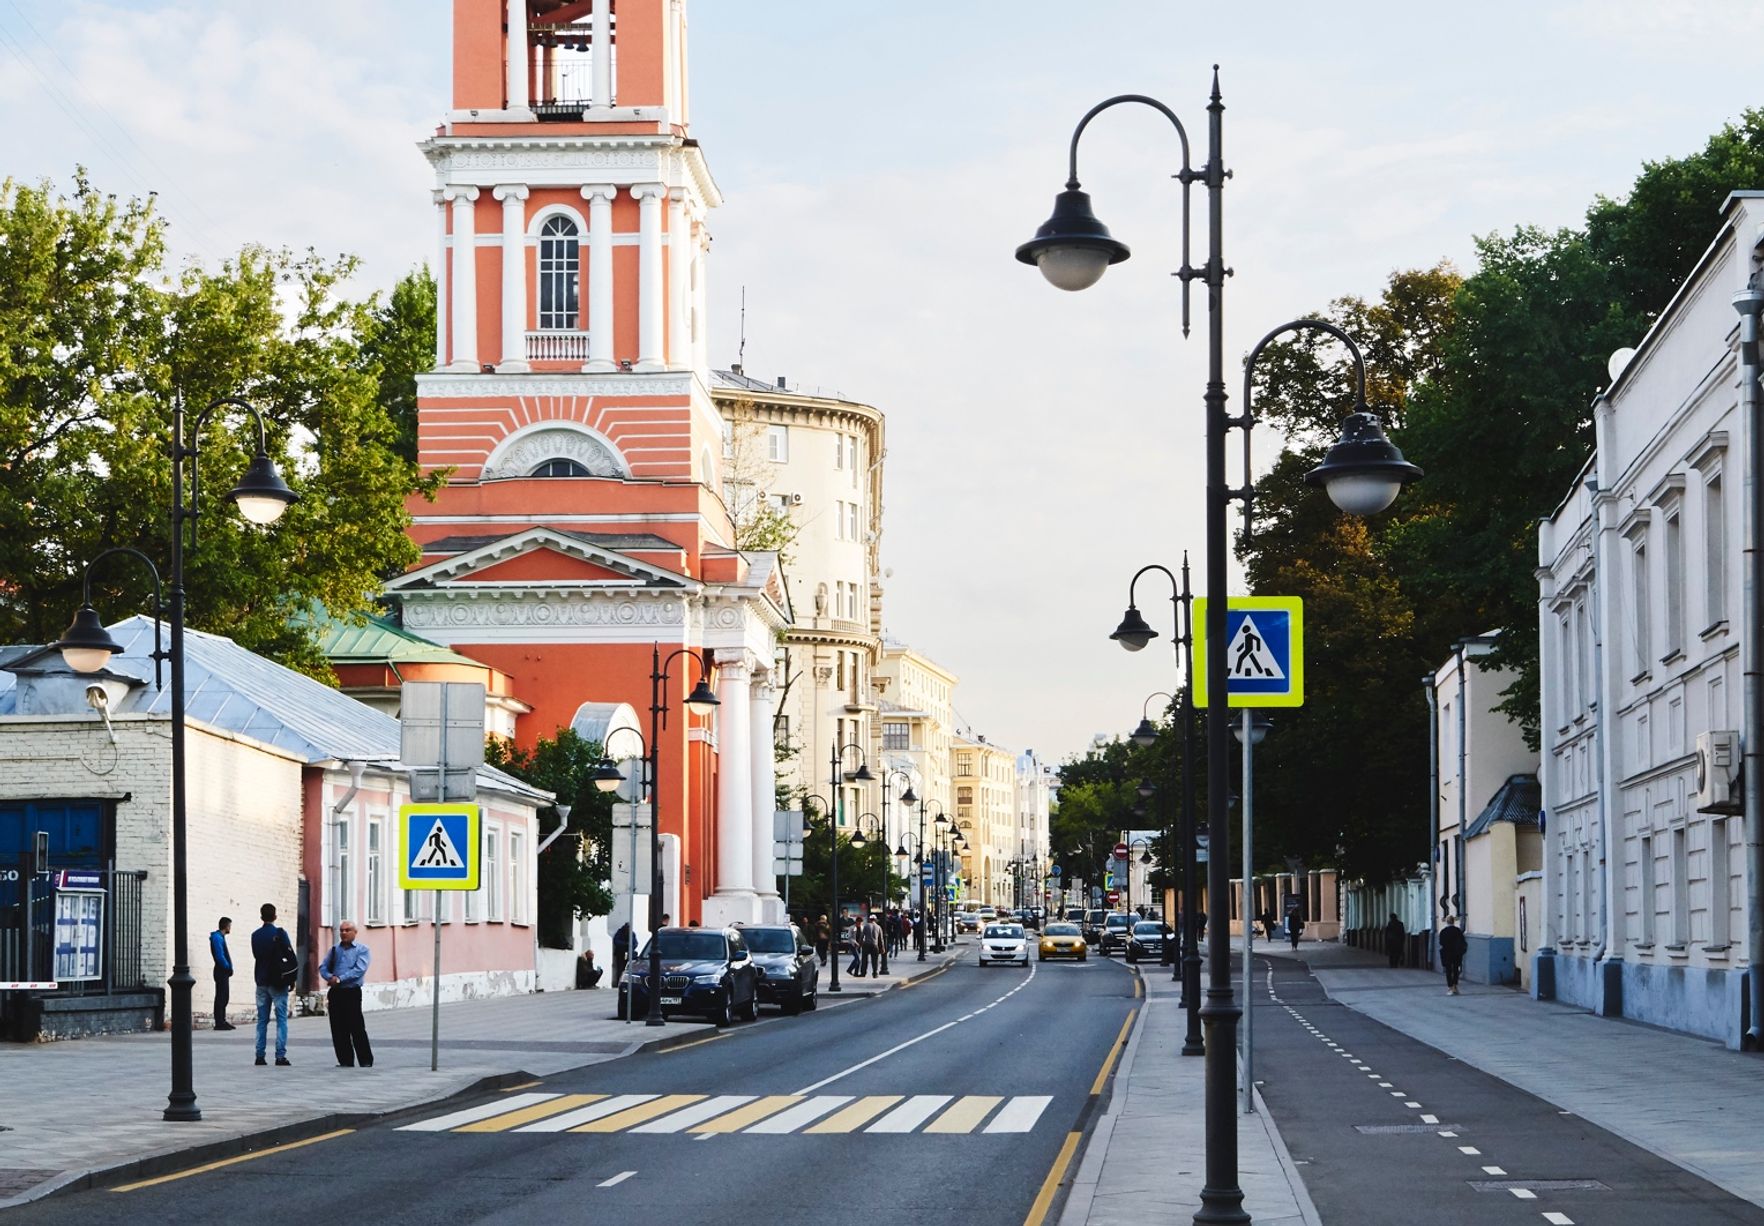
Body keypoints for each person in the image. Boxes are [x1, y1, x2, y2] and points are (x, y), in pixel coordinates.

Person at [319, 921, 374, 1068]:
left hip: (351, 992)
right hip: (336, 992)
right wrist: (329, 977)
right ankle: (345, 1060)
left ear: (355, 932)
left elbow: (359, 969)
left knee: (356, 1027)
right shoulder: (335, 950)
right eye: (342, 930)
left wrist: (340, 979)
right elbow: (323, 966)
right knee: (338, 1028)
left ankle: (365, 1060)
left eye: (347, 930)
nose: (343, 933)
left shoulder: (362, 950)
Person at [251, 903, 297, 1067]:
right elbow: (289, 955)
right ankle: (280, 1056)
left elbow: (257, 955)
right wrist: (292, 979)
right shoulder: (280, 933)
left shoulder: (255, 935)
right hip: (278, 981)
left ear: (261, 916)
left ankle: (259, 1055)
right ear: (275, 916)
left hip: (261, 980)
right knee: (281, 1019)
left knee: (262, 1020)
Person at [209, 917, 236, 1030]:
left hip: (222, 970)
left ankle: (222, 1020)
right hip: (221, 971)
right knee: (221, 996)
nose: (230, 928)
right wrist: (227, 967)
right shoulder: (217, 938)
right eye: (230, 925)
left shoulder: (220, 937)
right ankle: (219, 1022)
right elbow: (220, 956)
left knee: (224, 996)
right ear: (226, 926)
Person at [1439, 914, 1468, 995]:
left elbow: (1441, 942)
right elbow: (1462, 942)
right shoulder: (1458, 931)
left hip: (1447, 953)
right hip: (1456, 953)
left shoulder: (1443, 931)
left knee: (1448, 970)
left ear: (1447, 922)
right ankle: (1455, 986)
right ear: (1453, 921)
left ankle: (1450, 987)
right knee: (1455, 970)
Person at [611, 922, 631, 988]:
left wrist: (630, 946)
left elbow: (635, 942)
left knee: (627, 968)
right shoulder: (620, 932)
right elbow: (616, 941)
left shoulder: (631, 933)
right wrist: (625, 944)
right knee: (620, 968)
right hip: (620, 953)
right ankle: (619, 982)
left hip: (628, 953)